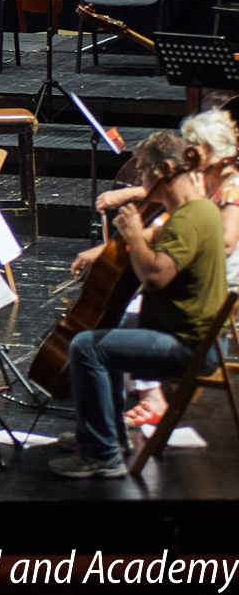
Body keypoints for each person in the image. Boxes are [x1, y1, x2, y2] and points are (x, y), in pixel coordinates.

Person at [50, 132, 229, 478]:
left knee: (86, 347)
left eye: (144, 170)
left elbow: (155, 277)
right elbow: (157, 237)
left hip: (188, 345)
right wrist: (103, 251)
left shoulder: (189, 219)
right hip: (192, 335)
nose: (140, 179)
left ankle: (102, 455)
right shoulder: (197, 209)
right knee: (107, 330)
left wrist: (132, 232)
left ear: (166, 169)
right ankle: (108, 435)